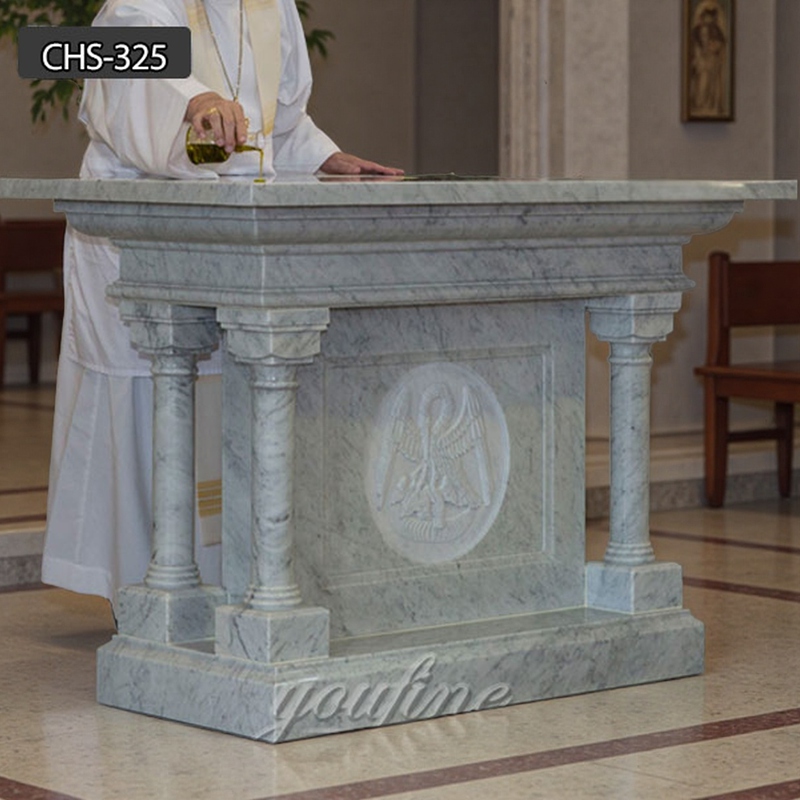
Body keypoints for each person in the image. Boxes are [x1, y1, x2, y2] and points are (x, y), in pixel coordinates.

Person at [42, 0, 403, 601]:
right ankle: (137, 584)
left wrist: (321, 156)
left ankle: (228, 577)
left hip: (231, 238)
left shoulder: (270, 5)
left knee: (229, 400)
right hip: (138, 230)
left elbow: (279, 124)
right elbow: (119, 63)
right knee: (153, 397)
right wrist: (192, 102)